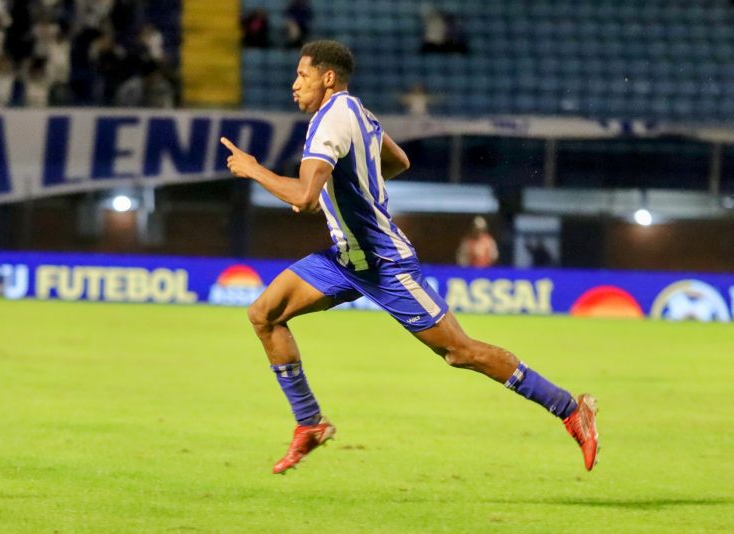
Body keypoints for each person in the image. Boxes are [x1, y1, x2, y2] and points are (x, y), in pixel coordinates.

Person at [220, 40, 599, 475]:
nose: (294, 85)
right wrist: (348, 192)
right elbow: (398, 161)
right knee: (263, 314)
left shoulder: (328, 123)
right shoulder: (359, 113)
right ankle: (309, 423)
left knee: (460, 352)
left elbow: (305, 198)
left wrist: (253, 169)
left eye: (301, 76)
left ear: (327, 78)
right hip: (346, 259)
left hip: (383, 263)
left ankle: (570, 408)